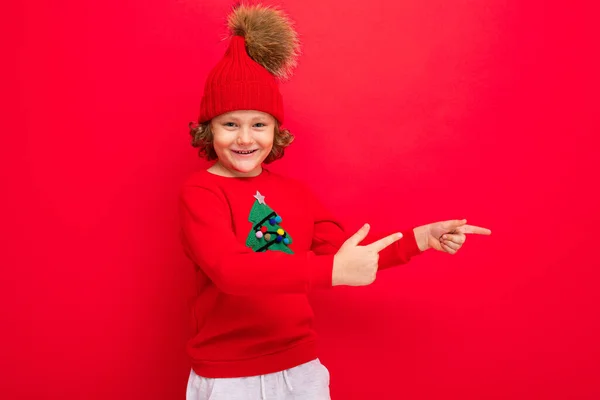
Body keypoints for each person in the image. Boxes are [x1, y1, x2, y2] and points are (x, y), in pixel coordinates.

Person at [179, 4, 491, 399]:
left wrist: (419, 238)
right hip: (228, 375)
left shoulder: (295, 193)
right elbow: (231, 272)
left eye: (259, 124)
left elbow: (347, 252)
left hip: (299, 366)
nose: (245, 138)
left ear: (277, 130)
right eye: (230, 124)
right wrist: (330, 273)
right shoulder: (201, 192)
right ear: (209, 129)